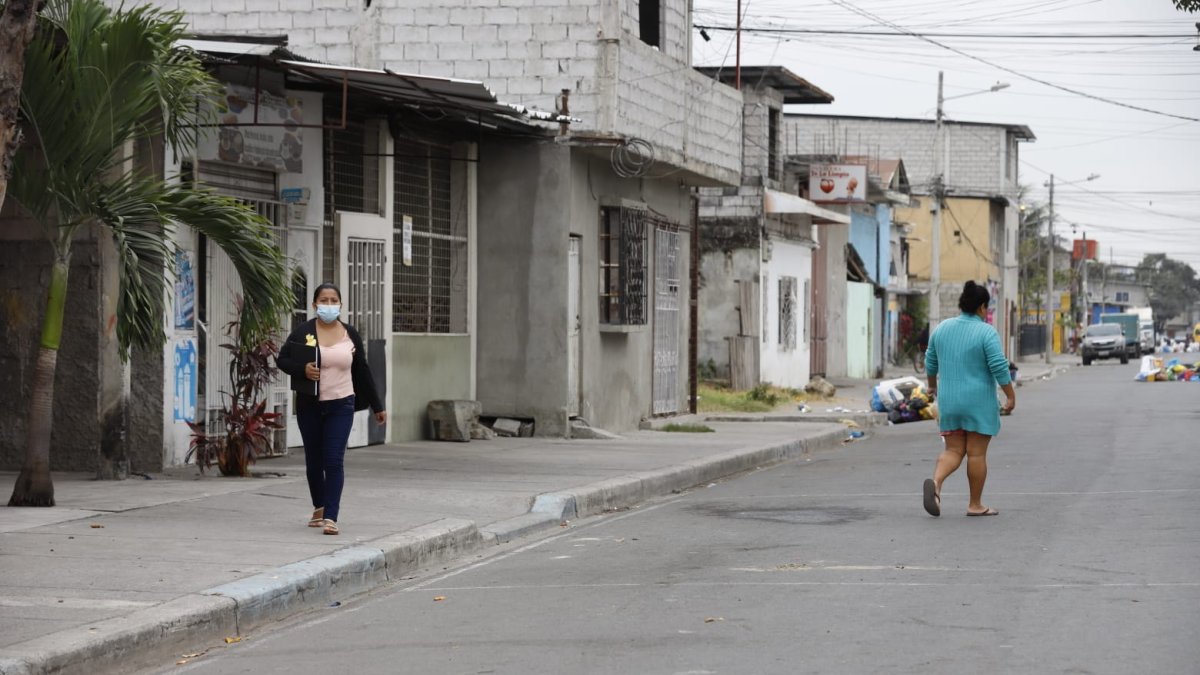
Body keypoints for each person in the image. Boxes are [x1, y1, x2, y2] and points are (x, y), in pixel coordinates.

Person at [277, 283, 386, 535]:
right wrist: (302, 369)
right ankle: (319, 506)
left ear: (340, 304)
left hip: (342, 404)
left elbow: (362, 370)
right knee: (314, 460)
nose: (328, 304)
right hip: (310, 405)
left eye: (333, 300)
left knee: (334, 459)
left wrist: (377, 406)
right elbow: (283, 359)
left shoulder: (350, 334)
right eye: (323, 300)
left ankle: (331, 516)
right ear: (314, 305)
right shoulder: (303, 332)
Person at [921, 281, 1016, 518]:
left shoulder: (942, 328)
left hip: (949, 401)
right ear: (983, 307)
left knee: (953, 450)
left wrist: (932, 387)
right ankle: (975, 504)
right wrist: (1010, 395)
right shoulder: (986, 331)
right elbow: (998, 366)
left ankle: (936, 483)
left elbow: (930, 362)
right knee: (976, 453)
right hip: (978, 402)